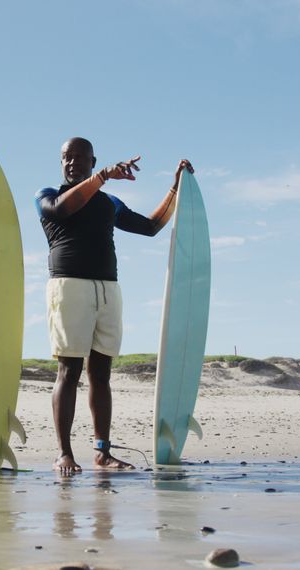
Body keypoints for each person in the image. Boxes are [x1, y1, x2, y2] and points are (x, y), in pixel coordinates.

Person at [35, 136, 193, 475]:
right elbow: (62, 210)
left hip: (108, 289)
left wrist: (176, 189)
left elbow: (150, 227)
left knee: (101, 374)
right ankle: (64, 453)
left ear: (93, 160)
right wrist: (103, 176)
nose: (73, 162)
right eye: (67, 157)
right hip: (69, 287)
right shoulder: (47, 196)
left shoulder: (109, 203)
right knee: (69, 371)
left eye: (81, 157)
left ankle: (102, 451)